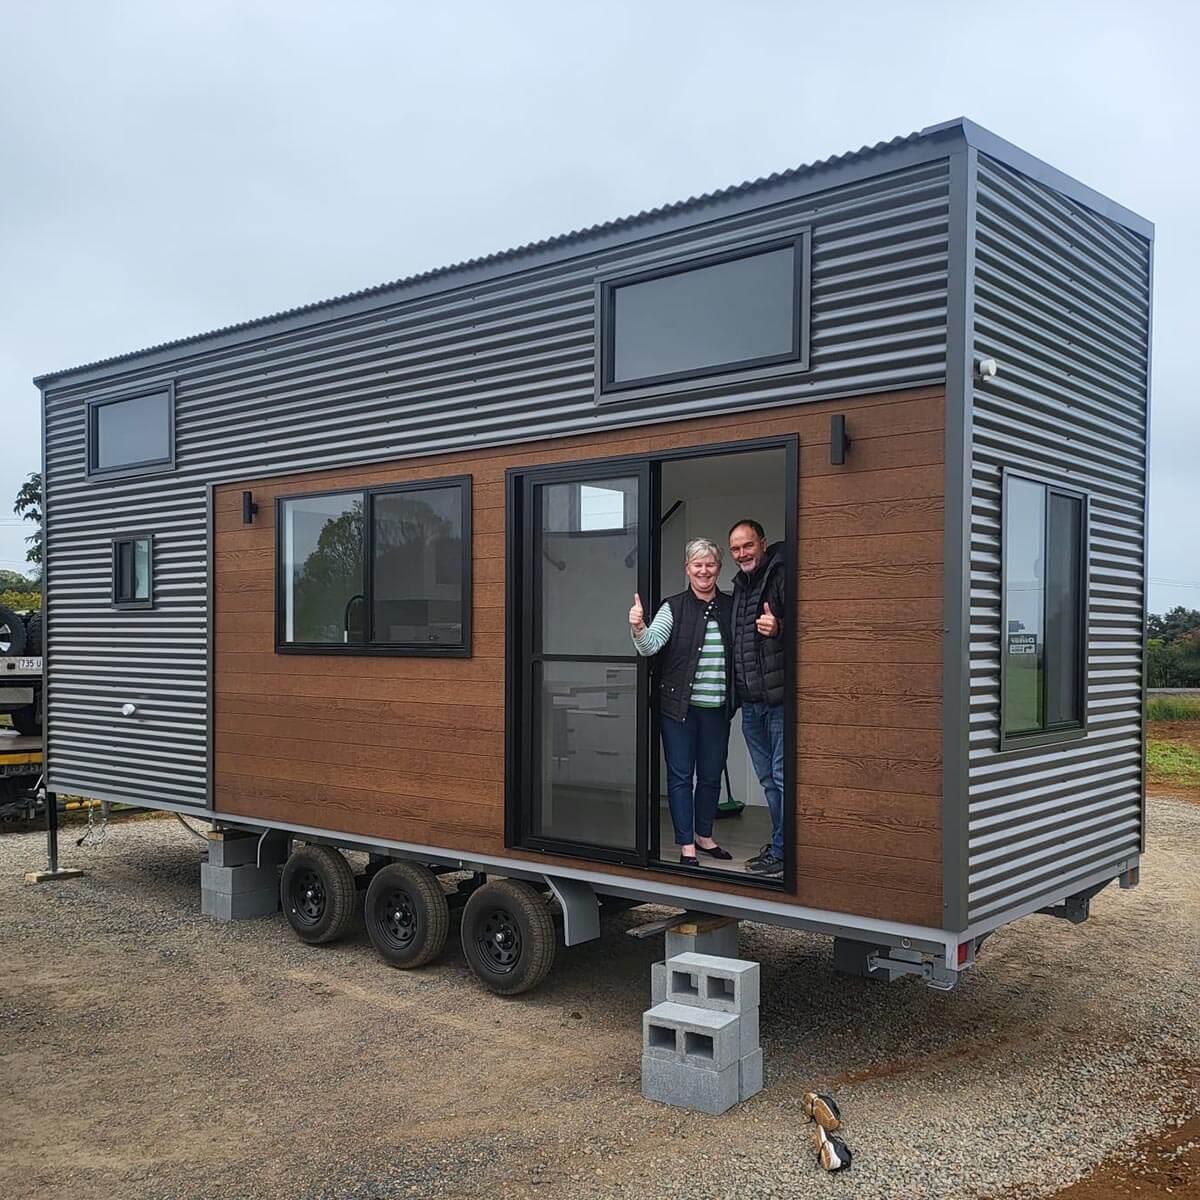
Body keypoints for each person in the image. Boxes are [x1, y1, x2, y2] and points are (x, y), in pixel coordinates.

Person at [629, 537, 735, 867]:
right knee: (680, 776)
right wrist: (638, 627)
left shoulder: (731, 606)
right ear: (687, 569)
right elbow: (650, 646)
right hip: (678, 710)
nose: (704, 570)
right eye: (697, 565)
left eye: (710, 564)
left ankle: (705, 836)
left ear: (719, 568)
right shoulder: (672, 607)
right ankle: (687, 843)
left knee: (710, 775)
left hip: (717, 709)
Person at [728, 519, 787, 878]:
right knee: (767, 779)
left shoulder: (778, 575)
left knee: (780, 777)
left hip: (778, 702)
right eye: (735, 549)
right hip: (751, 704)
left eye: (747, 545)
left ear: (762, 543)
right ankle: (780, 843)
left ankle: (783, 851)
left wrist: (778, 627)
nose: (742, 554)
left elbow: (806, 622)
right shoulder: (739, 588)